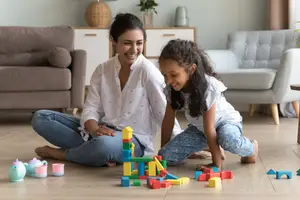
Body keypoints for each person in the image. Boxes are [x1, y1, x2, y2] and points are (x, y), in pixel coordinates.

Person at [31, 13, 182, 167]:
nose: (134, 50)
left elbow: (164, 112)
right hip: (98, 132)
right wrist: (94, 129)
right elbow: (91, 107)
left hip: (133, 141)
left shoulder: (149, 72)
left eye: (139, 43)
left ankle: (65, 154)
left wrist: (181, 146)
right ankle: (95, 154)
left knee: (103, 146)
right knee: (41, 118)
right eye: (127, 43)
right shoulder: (102, 70)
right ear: (113, 42)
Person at [157, 39, 258, 170]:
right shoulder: (171, 88)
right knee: (166, 156)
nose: (169, 80)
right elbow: (167, 121)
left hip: (225, 123)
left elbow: (209, 128)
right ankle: (211, 147)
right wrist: (162, 154)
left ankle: (252, 147)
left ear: (191, 69)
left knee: (228, 139)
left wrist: (216, 165)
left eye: (174, 74)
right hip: (199, 130)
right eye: (164, 75)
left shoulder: (208, 87)